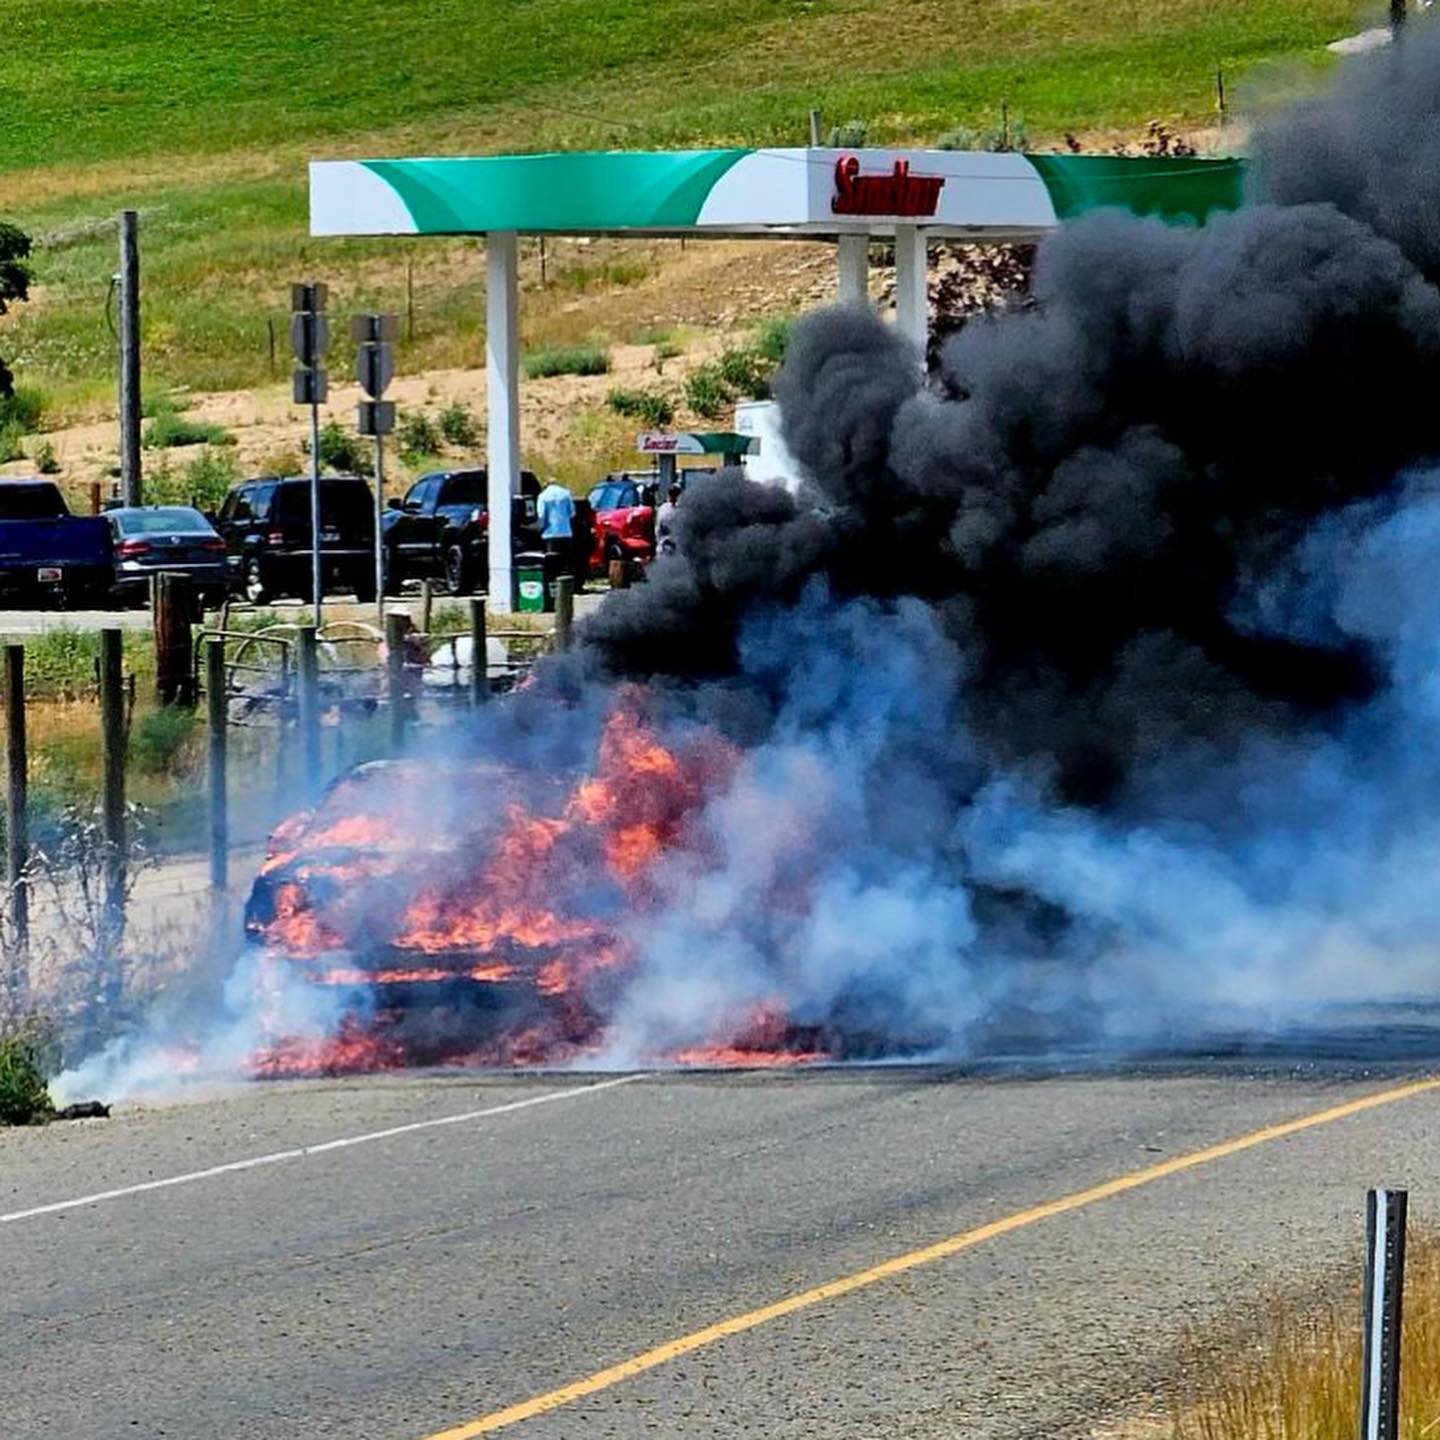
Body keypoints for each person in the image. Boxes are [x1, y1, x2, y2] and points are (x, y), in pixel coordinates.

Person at [537, 476, 575, 558]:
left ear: (546, 485)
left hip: (549, 533)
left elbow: (542, 515)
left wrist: (540, 528)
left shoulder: (542, 496)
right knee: (566, 560)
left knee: (551, 561)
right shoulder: (566, 494)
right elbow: (572, 513)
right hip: (566, 533)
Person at [655, 482, 681, 555]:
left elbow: (657, 530)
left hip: (663, 546)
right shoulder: (682, 509)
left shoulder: (662, 508)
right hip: (676, 547)